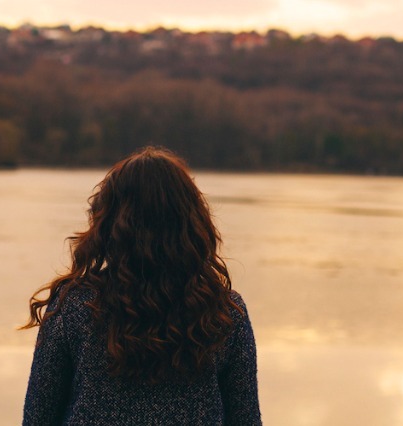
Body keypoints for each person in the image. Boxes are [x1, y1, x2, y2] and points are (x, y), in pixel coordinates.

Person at [21, 146, 261, 425]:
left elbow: (38, 417)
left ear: (109, 221)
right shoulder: (224, 312)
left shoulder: (73, 304)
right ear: (192, 221)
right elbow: (246, 419)